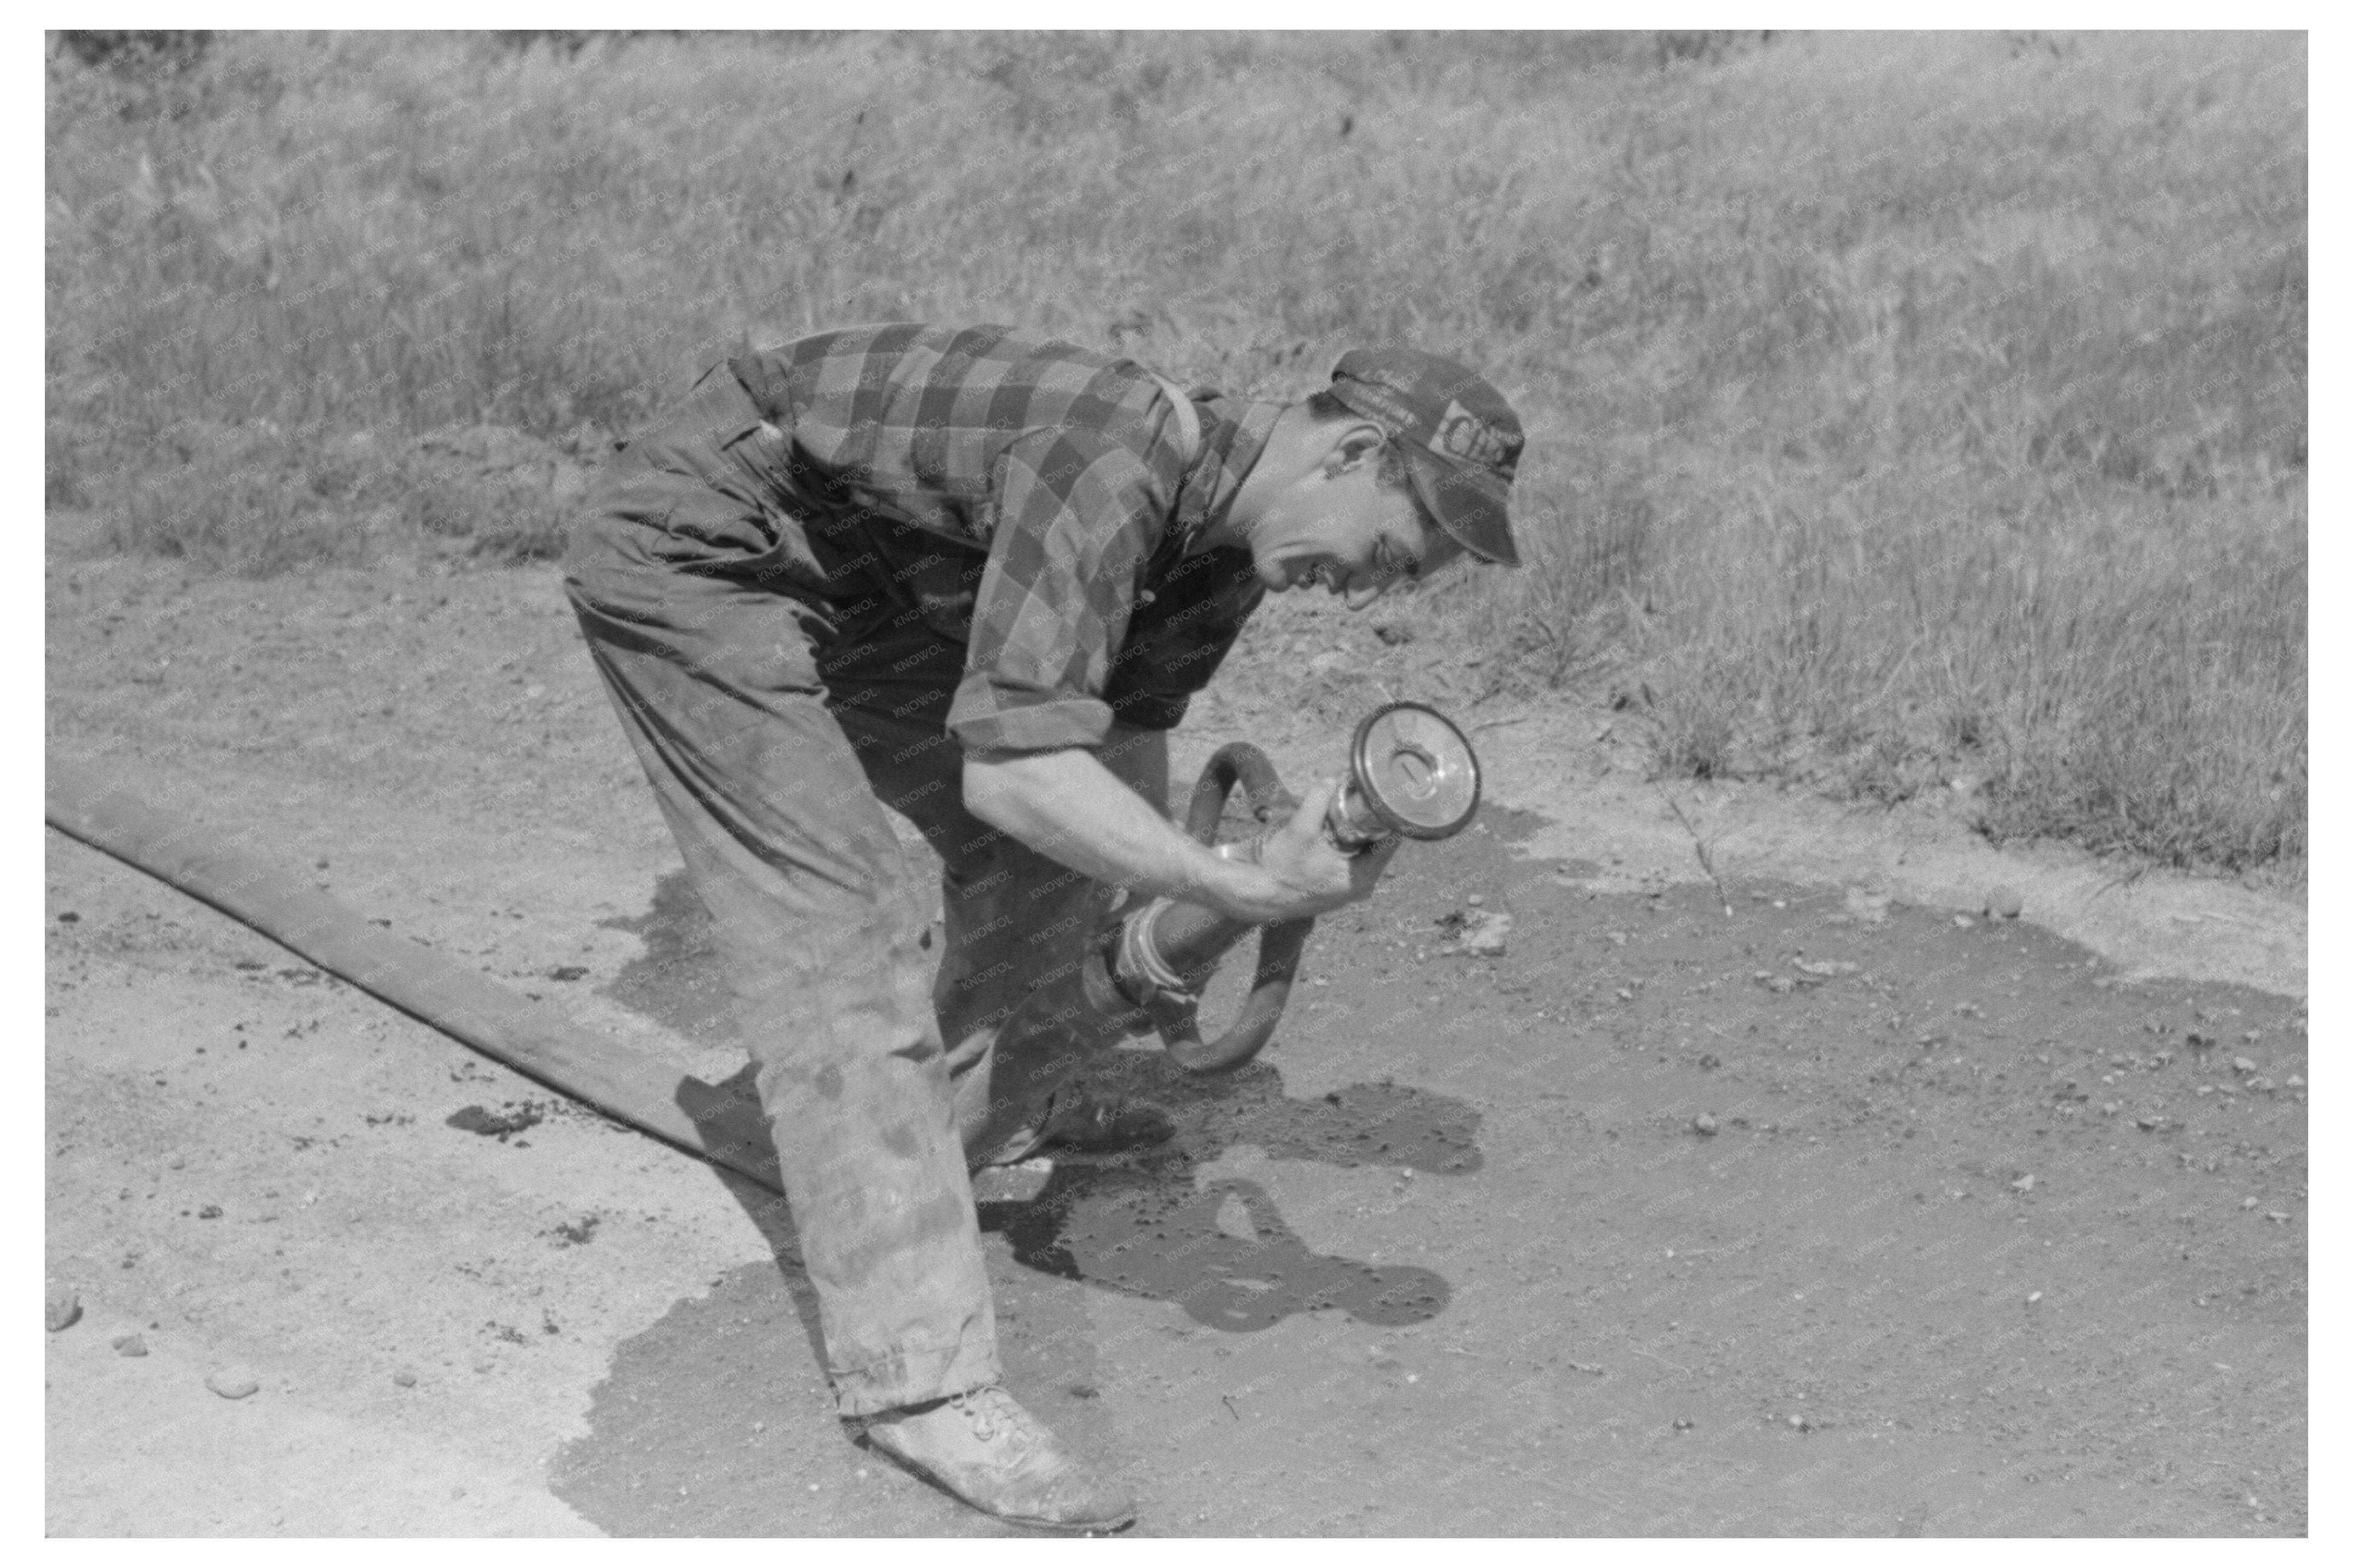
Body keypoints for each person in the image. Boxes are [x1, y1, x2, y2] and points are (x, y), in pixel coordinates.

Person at [561, 323, 1525, 1531]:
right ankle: (920, 1383)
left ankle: (948, 1124)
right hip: (705, 545)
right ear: (1353, 453)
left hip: (866, 584)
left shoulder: (1227, 549)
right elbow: (1012, 778)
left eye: (1399, 580)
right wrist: (1236, 889)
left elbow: (1108, 749)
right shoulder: (1112, 452)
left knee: (1050, 879)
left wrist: (1096, 978)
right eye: (1388, 551)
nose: (1368, 588)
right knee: (843, 925)